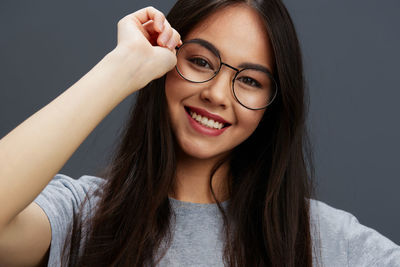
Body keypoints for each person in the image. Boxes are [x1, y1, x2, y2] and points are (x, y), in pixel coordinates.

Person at [0, 0, 399, 266]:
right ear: (167, 62)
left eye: (250, 81)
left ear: (274, 106)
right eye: (201, 61)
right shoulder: (81, 214)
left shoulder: (326, 239)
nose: (216, 94)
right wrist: (121, 68)